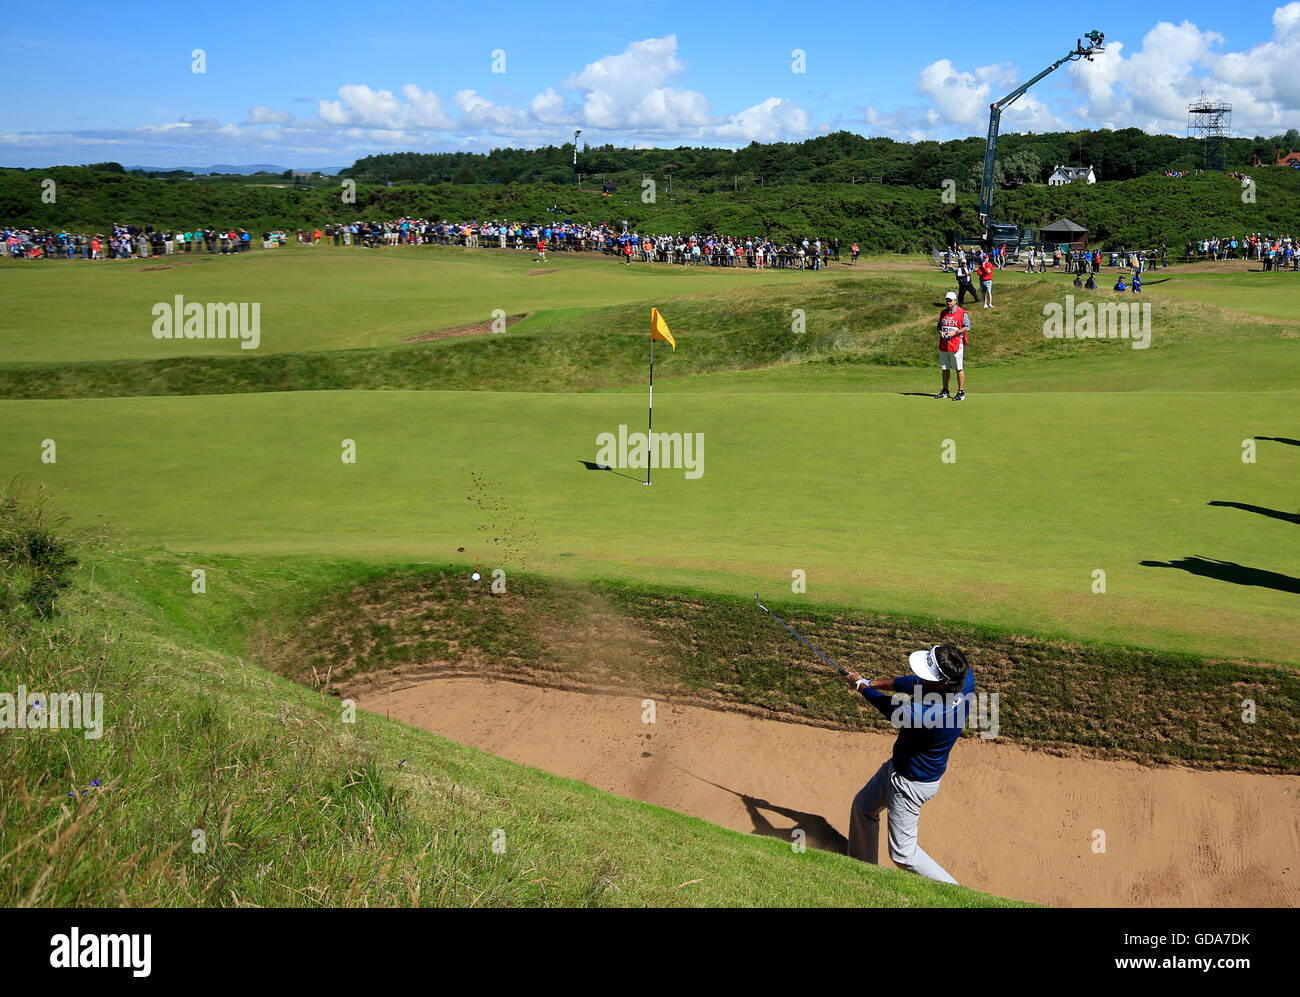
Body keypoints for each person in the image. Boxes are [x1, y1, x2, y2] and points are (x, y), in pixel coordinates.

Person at [845, 643, 973, 884]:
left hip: (910, 784)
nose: (920, 679)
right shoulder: (964, 678)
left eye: (927, 677)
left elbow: (888, 707)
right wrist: (872, 682)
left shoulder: (925, 715)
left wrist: (861, 687)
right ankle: (862, 872)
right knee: (863, 808)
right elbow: (911, 683)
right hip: (898, 769)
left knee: (903, 853)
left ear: (942, 684)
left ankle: (956, 892)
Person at [935, 291, 968, 401]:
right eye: (947, 300)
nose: (948, 302)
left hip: (956, 343)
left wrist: (955, 333)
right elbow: (939, 327)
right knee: (945, 368)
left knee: (959, 368)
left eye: (950, 300)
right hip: (944, 344)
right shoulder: (943, 312)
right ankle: (945, 390)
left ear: (955, 301)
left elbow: (967, 327)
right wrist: (941, 333)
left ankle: (961, 392)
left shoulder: (962, 312)